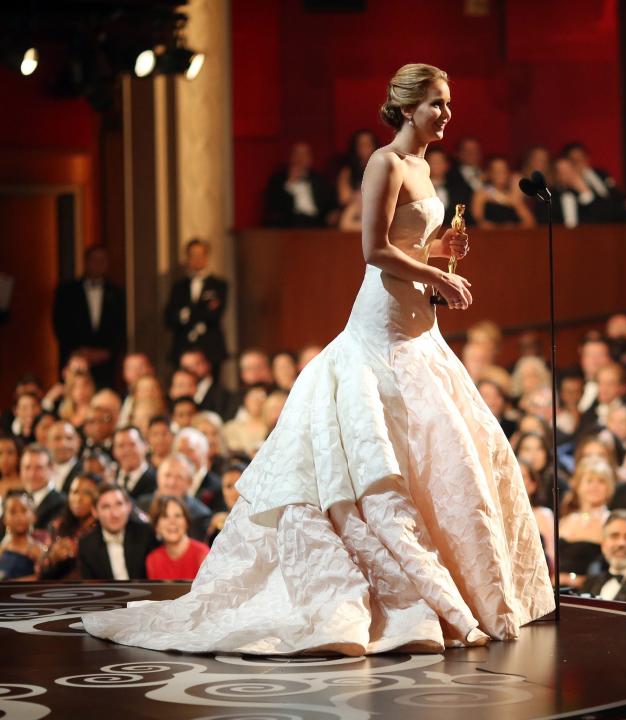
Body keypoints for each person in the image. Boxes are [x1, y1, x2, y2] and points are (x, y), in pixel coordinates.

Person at [82, 63, 553, 656]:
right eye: (437, 104)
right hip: (379, 327)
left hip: (419, 327)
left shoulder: (425, 167)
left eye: (449, 104)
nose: (447, 115)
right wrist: (432, 268)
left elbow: (408, 242)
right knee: (384, 467)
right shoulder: (383, 162)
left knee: (446, 454)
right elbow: (374, 249)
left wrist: (439, 251)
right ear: (408, 107)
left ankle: (466, 586)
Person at [52, 245, 126, 389]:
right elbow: (59, 324)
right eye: (94, 260)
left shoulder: (117, 293)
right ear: (86, 262)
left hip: (105, 364)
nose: (98, 264)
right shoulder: (67, 291)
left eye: (102, 260)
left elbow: (121, 327)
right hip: (74, 359)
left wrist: (106, 352)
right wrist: (78, 352)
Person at [163, 238, 229, 377]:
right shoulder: (179, 286)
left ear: (206, 257)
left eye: (200, 255)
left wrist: (186, 315)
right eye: (192, 255)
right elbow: (169, 318)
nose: (197, 259)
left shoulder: (219, 285)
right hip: (183, 346)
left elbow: (214, 315)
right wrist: (202, 311)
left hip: (210, 347)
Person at [78, 483, 157, 581]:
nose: (114, 514)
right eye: (106, 507)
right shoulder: (86, 545)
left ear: (128, 506)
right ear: (95, 512)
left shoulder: (146, 533)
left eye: (119, 504)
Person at [558, 456, 615, 588]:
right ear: (578, 485)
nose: (594, 486)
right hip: (556, 590)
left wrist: (571, 579)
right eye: (589, 481)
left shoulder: (611, 521)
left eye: (601, 481)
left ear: (609, 487)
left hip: (589, 591)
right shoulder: (567, 519)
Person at [263, 141, 337, 228]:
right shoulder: (278, 179)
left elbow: (330, 203)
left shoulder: (320, 180)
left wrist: (332, 213)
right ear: (290, 157)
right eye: (296, 154)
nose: (300, 158)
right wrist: (290, 183)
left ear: (310, 159)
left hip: (316, 223)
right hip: (290, 224)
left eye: (304, 155)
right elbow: (274, 208)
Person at [146, 495, 211, 581]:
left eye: (177, 515)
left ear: (186, 522)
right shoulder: (153, 560)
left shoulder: (203, 553)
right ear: (156, 526)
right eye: (165, 516)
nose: (172, 521)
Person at [0, 492, 43, 580]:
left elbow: (42, 578)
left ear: (33, 516)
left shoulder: (36, 549)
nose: (19, 517)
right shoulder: (3, 546)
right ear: (4, 519)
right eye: (13, 512)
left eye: (24, 511)